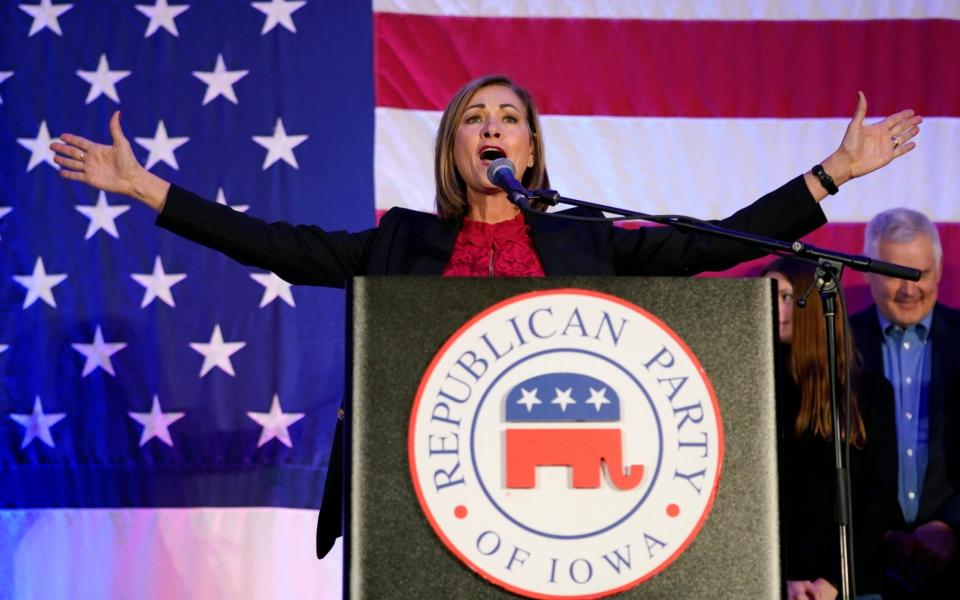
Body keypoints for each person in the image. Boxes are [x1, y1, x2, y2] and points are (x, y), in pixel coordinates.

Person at [49, 74, 922, 559]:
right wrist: (148, 188)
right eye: (475, 117)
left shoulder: (583, 237)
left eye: (509, 118)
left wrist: (831, 173)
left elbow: (709, 246)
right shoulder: (402, 243)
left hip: (567, 511)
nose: (493, 127)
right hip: (423, 506)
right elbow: (278, 244)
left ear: (532, 148)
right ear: (454, 147)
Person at [851, 208, 959, 598]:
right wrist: (878, 530)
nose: (909, 289)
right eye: (895, 274)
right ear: (866, 272)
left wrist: (951, 525)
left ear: (940, 271)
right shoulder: (838, 344)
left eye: (921, 274)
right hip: (866, 565)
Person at [762, 258, 866, 600]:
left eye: (788, 297)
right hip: (767, 579)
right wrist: (778, 580)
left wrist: (831, 582)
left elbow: (872, 501)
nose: (776, 306)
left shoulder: (864, 392)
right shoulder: (752, 389)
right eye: (769, 294)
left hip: (840, 583)